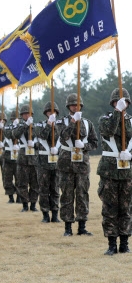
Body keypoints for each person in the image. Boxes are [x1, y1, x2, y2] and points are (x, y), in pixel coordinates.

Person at [57, 93, 98, 236]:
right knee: (67, 194)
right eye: (73, 104)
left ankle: (82, 226)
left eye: (78, 104)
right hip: (66, 162)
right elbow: (62, 138)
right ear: (68, 106)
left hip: (82, 163)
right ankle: (67, 228)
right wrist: (73, 122)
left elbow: (95, 143)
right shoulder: (61, 122)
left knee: (82, 194)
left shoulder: (88, 123)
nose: (76, 107)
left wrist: (84, 145)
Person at [97, 89, 132, 255]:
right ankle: (112, 244)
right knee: (110, 208)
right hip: (109, 170)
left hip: (127, 171)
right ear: (113, 103)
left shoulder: (131, 121)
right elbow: (109, 131)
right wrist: (118, 112)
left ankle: (124, 243)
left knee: (126, 208)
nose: (121, 104)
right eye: (118, 102)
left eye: (124, 102)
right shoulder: (105, 119)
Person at [34, 102, 61, 222]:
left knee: (55, 189)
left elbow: (66, 139)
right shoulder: (40, 124)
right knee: (43, 189)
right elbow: (42, 135)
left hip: (56, 162)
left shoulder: (60, 125)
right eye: (49, 112)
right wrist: (49, 124)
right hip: (43, 162)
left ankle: (55, 214)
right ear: (46, 113)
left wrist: (58, 149)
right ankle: (45, 214)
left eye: (54, 111)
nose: (52, 113)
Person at [12, 105, 40, 212]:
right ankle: (25, 205)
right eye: (24, 114)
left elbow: (42, 140)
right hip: (23, 159)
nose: (26, 115)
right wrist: (26, 125)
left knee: (35, 183)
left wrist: (34, 144)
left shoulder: (37, 126)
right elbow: (15, 134)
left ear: (31, 114)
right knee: (22, 183)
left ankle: (33, 204)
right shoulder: (19, 126)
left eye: (28, 114)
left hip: (34, 159)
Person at [3, 111, 20, 204]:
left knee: (19, 178)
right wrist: (14, 127)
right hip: (8, 156)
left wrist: (18, 127)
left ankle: (19, 196)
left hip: (19, 157)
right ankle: (10, 197)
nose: (15, 120)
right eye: (13, 119)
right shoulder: (7, 127)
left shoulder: (23, 127)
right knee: (7, 178)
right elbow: (8, 134)